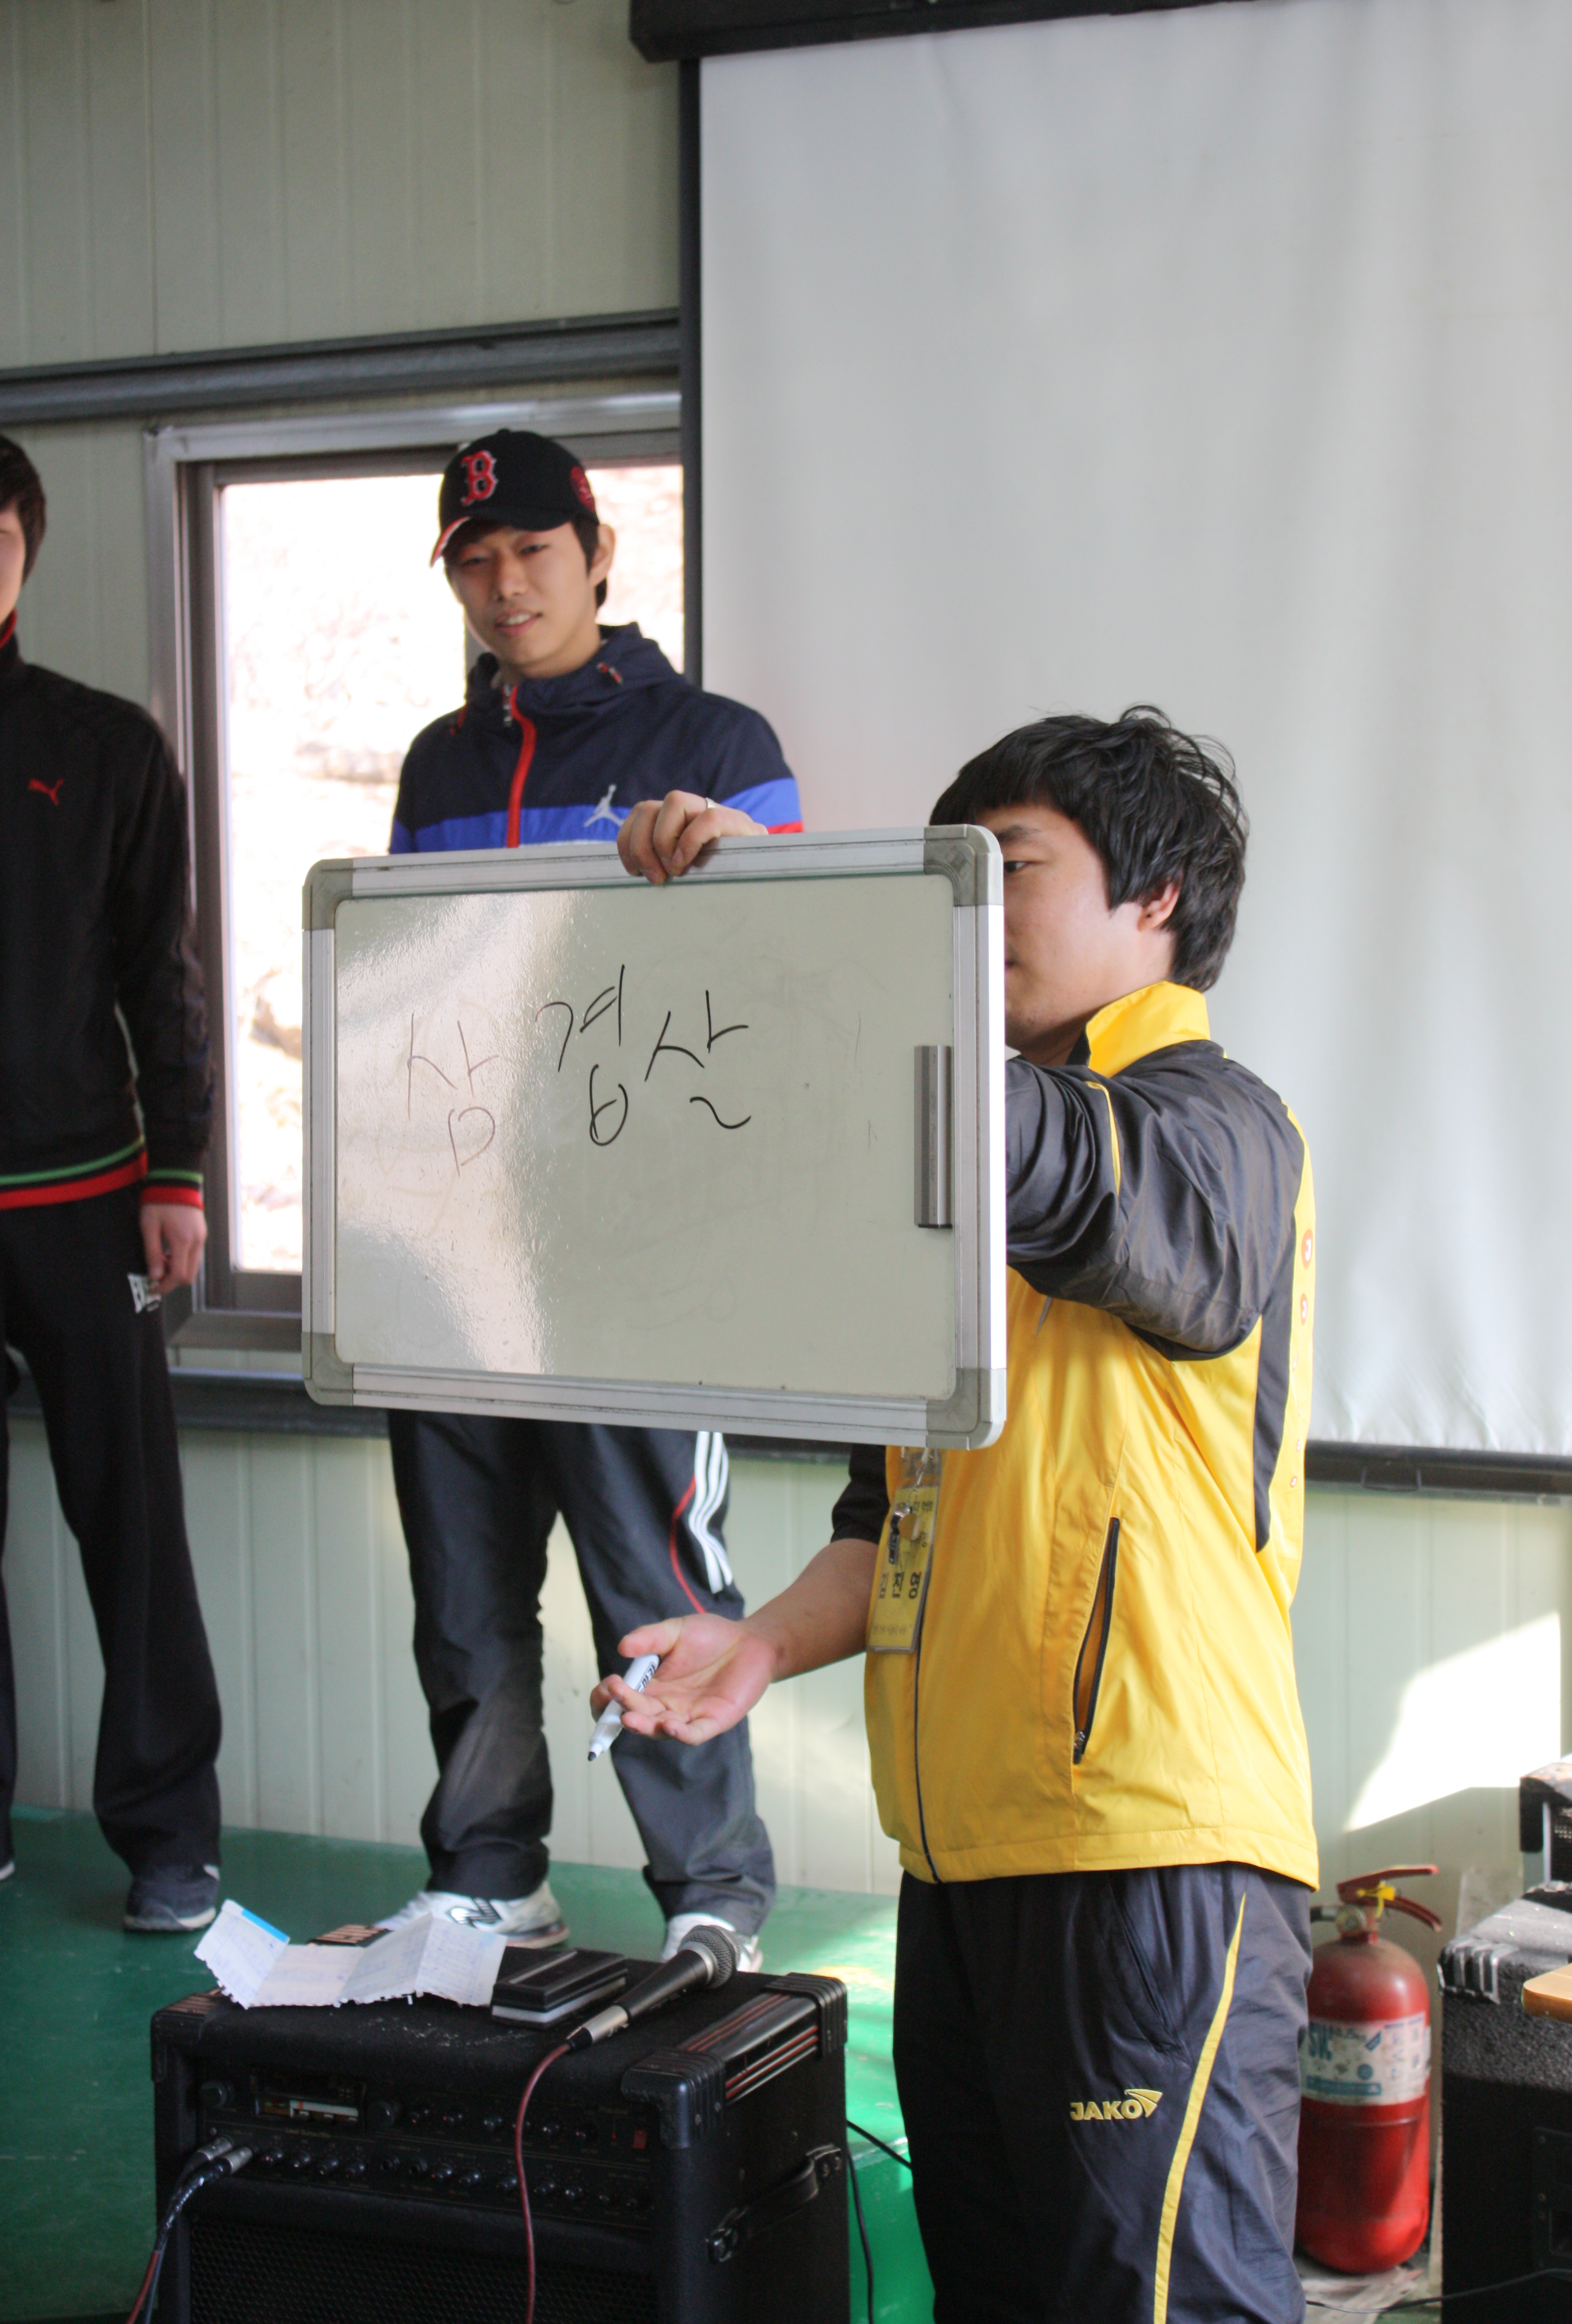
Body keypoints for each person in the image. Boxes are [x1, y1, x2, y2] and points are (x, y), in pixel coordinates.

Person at [604, 710, 1319, 2324]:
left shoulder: (1217, 1130)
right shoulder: (955, 1169)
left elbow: (1067, 1168)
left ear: (1157, 897)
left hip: (1150, 1858)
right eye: (954, 877)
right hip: (961, 1862)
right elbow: (894, 1517)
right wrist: (755, 1646)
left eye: (1011, 870)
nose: (972, 910)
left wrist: (823, 926)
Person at [380, 429, 800, 1960]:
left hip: (641, 1260)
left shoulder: (718, 742)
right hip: (455, 1260)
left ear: (599, 552)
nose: (506, 586)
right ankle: (492, 1870)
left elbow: (797, 979)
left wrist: (740, 857)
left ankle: (714, 1892)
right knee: (464, 1596)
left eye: (533, 553)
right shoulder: (437, 765)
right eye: (476, 562)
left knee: (654, 1579)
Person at [0, 435, 223, 1932]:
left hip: (93, 1204)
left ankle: (169, 1837)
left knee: (131, 1520)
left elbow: (165, 974)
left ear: (24, 551)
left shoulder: (104, 747)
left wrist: (182, 1172)